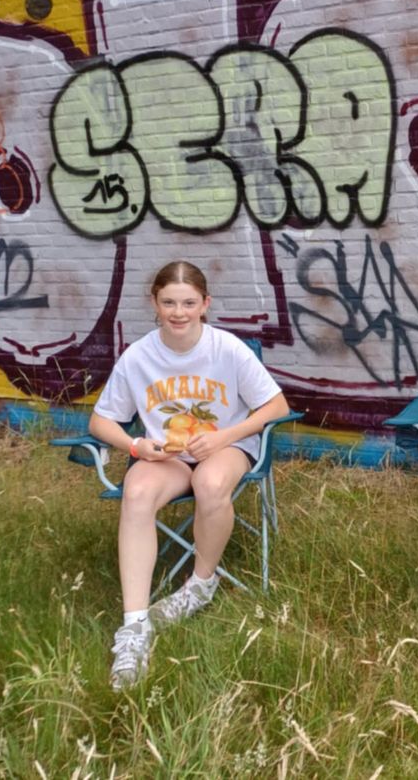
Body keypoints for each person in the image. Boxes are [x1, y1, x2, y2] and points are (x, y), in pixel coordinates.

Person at [89, 261, 290, 691]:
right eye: (168, 303)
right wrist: (136, 447)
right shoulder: (139, 355)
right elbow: (102, 421)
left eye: (188, 303)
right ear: (154, 304)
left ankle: (201, 583)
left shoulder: (227, 349)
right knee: (137, 490)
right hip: (168, 453)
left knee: (211, 483)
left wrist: (225, 436)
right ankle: (135, 627)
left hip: (228, 446)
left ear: (205, 305)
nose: (178, 312)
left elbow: (276, 406)